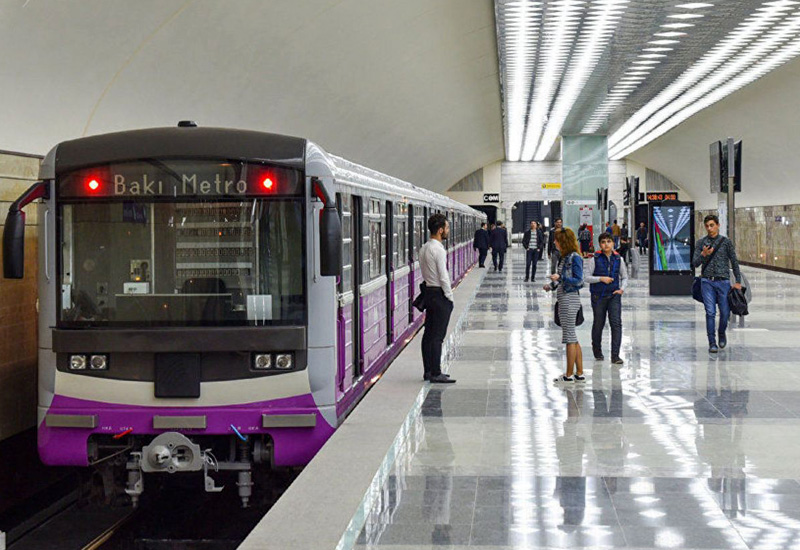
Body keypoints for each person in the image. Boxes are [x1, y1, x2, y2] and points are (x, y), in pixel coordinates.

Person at [692, 214, 743, 353]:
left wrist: (738, 281)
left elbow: (734, 261)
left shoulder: (726, 242)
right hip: (707, 281)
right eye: (707, 226)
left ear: (718, 225)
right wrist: (703, 254)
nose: (710, 228)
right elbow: (694, 264)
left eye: (712, 225)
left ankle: (721, 332)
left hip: (723, 282)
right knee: (710, 312)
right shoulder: (701, 243)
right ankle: (712, 342)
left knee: (725, 312)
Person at [419, 213, 457, 383]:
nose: (448, 230)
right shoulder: (438, 250)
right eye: (447, 228)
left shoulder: (424, 247)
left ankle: (428, 370)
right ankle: (436, 372)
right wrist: (449, 297)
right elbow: (444, 276)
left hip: (428, 293)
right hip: (439, 295)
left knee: (428, 334)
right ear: (441, 230)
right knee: (437, 337)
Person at [544, 227, 585, 384]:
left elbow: (579, 280)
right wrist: (551, 285)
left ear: (564, 241)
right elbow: (561, 279)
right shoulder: (564, 257)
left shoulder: (575, 258)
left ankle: (568, 375)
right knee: (573, 338)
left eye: (557, 240)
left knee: (569, 338)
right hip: (564, 298)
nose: (554, 242)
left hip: (570, 300)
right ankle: (579, 373)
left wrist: (560, 277)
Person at [586, 233, 628, 365]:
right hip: (598, 296)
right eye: (603, 242)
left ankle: (615, 355)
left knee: (616, 323)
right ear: (600, 244)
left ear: (613, 244)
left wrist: (621, 289)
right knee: (599, 323)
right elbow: (586, 277)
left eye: (609, 241)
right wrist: (600, 279)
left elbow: (625, 276)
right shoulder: (594, 259)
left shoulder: (618, 259)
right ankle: (597, 351)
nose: (606, 244)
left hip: (614, 295)